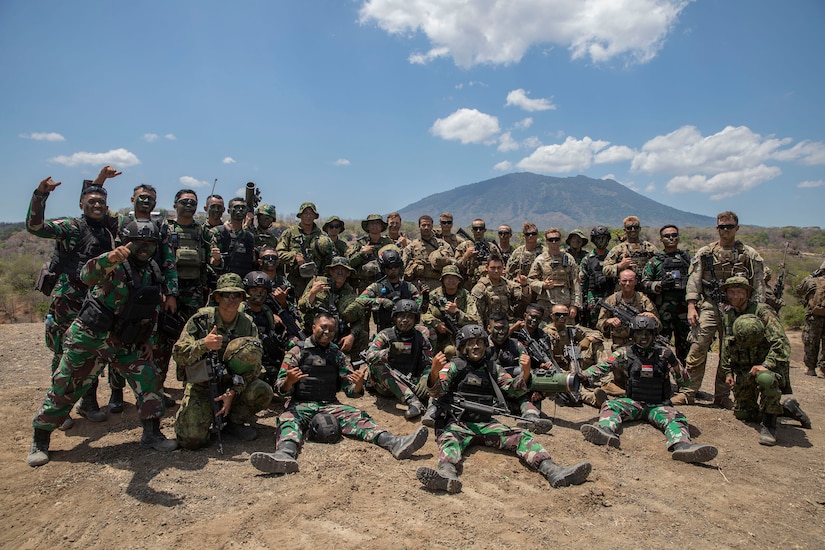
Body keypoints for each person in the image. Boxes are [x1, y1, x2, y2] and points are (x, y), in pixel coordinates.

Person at [27, 219, 179, 467]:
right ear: (126, 242)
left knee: (149, 377)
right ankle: (40, 437)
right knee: (66, 385)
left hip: (126, 341)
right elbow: (87, 275)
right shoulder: (112, 263)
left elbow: (150, 309)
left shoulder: (152, 269)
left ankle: (151, 434)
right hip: (91, 338)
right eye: (138, 242)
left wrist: (148, 340)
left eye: (150, 243)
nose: (144, 248)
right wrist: (109, 258)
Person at [415, 325, 591, 493]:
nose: (476, 346)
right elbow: (437, 392)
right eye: (471, 343)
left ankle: (553, 470)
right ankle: (446, 475)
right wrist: (434, 373)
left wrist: (526, 373)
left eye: (480, 342)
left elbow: (513, 390)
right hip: (457, 424)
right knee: (448, 439)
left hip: (486, 423)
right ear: (462, 346)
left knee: (521, 436)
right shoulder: (454, 366)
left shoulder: (493, 368)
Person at [248, 312, 429, 474]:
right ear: (313, 327)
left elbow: (350, 392)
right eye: (323, 327)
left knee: (358, 416)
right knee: (288, 420)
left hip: (330, 405)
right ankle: (284, 455)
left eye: (332, 330)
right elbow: (280, 389)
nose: (327, 332)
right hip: (300, 404)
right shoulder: (297, 352)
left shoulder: (337, 355)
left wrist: (357, 385)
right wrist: (288, 381)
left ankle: (394, 443)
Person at [26, 166, 122, 427]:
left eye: (101, 202)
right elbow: (35, 226)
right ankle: (60, 409)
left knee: (92, 353)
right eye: (91, 201)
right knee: (62, 354)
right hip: (68, 300)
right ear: (81, 204)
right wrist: (40, 195)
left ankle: (88, 403)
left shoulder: (109, 230)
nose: (97, 205)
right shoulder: (71, 226)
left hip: (96, 301)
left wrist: (100, 181)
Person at [579, 316, 718, 464]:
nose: (643, 337)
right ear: (632, 335)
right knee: (610, 405)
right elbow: (603, 367)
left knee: (676, 418)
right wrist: (583, 376)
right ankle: (606, 432)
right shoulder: (625, 353)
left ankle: (682, 446)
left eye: (647, 333)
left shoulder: (664, 354)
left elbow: (685, 381)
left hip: (659, 406)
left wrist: (674, 363)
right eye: (639, 333)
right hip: (633, 403)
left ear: (654, 335)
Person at [172, 273, 274, 449]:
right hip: (203, 384)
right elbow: (178, 354)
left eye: (237, 295)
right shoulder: (201, 320)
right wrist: (203, 344)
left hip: (233, 384)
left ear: (243, 298)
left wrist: (233, 391)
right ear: (217, 297)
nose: (232, 299)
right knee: (191, 440)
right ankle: (205, 415)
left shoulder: (247, 324)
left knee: (262, 390)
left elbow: (256, 366)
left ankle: (233, 422)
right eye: (227, 294)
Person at [681, 211, 765, 408]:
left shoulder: (749, 255)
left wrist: (756, 312)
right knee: (698, 345)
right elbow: (694, 281)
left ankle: (722, 395)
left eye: (729, 226)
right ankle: (688, 392)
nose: (725, 230)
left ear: (737, 228)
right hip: (710, 304)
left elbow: (759, 285)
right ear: (717, 228)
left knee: (730, 351)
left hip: (738, 309)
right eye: (722, 226)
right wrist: (692, 306)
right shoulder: (706, 253)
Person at [148, 189, 221, 412]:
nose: (188, 205)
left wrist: (215, 260)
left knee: (196, 342)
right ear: (175, 204)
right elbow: (155, 260)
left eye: (193, 202)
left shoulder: (203, 232)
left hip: (195, 294)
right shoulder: (164, 228)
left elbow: (210, 262)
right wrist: (166, 293)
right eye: (184, 201)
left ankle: (194, 389)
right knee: (162, 343)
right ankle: (156, 393)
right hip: (169, 293)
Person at [719, 277, 812, 445]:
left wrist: (765, 365)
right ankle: (788, 409)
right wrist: (727, 371)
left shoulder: (763, 312)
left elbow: (781, 342)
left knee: (766, 379)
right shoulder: (729, 315)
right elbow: (727, 343)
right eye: (731, 292)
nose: (735, 296)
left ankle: (769, 426)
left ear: (747, 293)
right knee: (743, 414)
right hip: (744, 369)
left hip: (767, 366)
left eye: (739, 292)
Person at [485, 312, 554, 434]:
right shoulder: (482, 346)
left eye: (505, 328)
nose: (502, 332)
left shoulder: (517, 345)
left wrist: (537, 390)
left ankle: (531, 419)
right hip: (490, 391)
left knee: (530, 396)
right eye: (497, 328)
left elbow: (528, 373)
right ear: (489, 328)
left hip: (514, 389)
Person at [365, 299, 433, 419]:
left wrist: (426, 377)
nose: (405, 320)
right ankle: (413, 402)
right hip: (385, 385)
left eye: (409, 317)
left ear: (415, 320)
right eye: (401, 316)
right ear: (395, 318)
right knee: (377, 366)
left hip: (410, 380)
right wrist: (388, 353)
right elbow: (369, 356)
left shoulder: (421, 338)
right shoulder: (385, 334)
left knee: (437, 377)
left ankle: (433, 410)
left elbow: (428, 363)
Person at [299, 256, 368, 361]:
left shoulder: (349, 292)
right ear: (330, 271)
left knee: (362, 336)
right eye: (337, 269)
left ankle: (353, 371)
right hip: (313, 332)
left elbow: (358, 319)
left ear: (348, 273)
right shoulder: (318, 282)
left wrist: (351, 336)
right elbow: (302, 306)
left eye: (344, 270)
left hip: (335, 333)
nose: (340, 273)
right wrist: (313, 292)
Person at [641, 225, 690, 364]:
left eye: (674, 235)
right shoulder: (655, 261)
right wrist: (660, 285)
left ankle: (683, 380)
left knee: (686, 347)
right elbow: (644, 283)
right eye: (667, 236)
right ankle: (661, 379)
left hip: (684, 310)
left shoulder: (686, 260)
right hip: (663, 311)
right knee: (660, 347)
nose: (671, 238)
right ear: (661, 239)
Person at [542, 304, 607, 407]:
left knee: (598, 344)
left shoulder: (571, 330)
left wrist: (587, 339)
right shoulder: (545, 332)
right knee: (573, 384)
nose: (562, 317)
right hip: (555, 367)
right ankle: (594, 399)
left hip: (575, 362)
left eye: (565, 315)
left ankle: (606, 382)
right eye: (558, 315)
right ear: (552, 316)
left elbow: (598, 334)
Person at [356, 247, 421, 333]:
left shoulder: (408, 287)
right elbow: (360, 300)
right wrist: (381, 301)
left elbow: (420, 306)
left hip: (407, 329)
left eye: (396, 266)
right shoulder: (376, 286)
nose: (393, 269)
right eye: (389, 267)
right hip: (385, 330)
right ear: (383, 269)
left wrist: (425, 297)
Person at [277, 202, 334, 297]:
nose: (308, 216)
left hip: (315, 280)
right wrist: (294, 256)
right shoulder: (290, 232)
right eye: (305, 213)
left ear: (315, 216)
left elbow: (330, 257)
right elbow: (278, 253)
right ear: (300, 215)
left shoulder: (322, 236)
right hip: (295, 280)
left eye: (311, 214)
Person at [422, 265, 480, 358]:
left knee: (451, 352)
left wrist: (457, 312)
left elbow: (474, 319)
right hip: (436, 334)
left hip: (458, 334)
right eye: (447, 278)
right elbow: (424, 315)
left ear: (459, 280)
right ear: (443, 280)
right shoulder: (434, 295)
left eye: (454, 278)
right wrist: (437, 324)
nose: (450, 280)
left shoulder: (466, 296)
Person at [597, 269, 660, 351]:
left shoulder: (643, 300)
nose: (627, 284)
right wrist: (608, 321)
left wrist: (652, 318)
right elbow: (599, 324)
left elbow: (659, 326)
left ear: (635, 282)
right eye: (624, 281)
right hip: (617, 345)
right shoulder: (611, 300)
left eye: (630, 281)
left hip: (640, 344)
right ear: (619, 282)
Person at [527, 227, 581, 321]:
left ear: (560, 240)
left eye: (556, 239)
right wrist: (543, 285)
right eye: (550, 240)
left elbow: (575, 283)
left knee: (566, 332)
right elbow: (531, 280)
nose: (553, 242)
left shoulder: (568, 259)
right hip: (545, 303)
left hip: (564, 304)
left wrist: (574, 305)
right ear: (546, 241)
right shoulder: (540, 259)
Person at [471, 255, 531, 327]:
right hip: (490, 326)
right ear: (487, 268)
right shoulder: (480, 288)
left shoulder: (508, 284)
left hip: (508, 323)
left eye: (499, 268)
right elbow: (477, 314)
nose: (496, 271)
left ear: (503, 268)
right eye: (493, 268)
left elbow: (524, 300)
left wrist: (524, 285)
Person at [402, 215, 453, 292]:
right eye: (423, 225)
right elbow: (404, 266)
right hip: (418, 285)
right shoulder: (411, 247)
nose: (426, 228)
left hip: (438, 285)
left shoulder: (442, 245)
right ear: (419, 226)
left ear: (432, 226)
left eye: (428, 225)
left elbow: (452, 263)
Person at [602, 216, 658, 282]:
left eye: (636, 227)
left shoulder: (649, 247)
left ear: (640, 229)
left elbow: (660, 265)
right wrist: (619, 266)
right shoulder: (618, 249)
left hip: (646, 287)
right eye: (629, 228)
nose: (633, 230)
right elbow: (605, 270)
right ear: (624, 230)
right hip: (624, 288)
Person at [212, 197, 256, 279]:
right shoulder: (217, 232)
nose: (240, 210)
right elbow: (212, 262)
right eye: (236, 207)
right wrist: (217, 259)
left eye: (243, 208)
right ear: (229, 211)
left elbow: (252, 261)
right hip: (223, 281)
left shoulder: (249, 237)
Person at [348, 214, 395, 291]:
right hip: (365, 284)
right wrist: (362, 253)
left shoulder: (388, 242)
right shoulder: (361, 243)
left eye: (377, 223)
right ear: (367, 227)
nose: (374, 225)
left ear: (381, 226)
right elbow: (350, 263)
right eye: (372, 223)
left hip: (385, 282)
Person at [580, 225, 615, 329]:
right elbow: (582, 282)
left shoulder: (614, 257)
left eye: (603, 238)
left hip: (611, 295)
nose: (601, 241)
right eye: (598, 238)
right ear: (593, 240)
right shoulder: (587, 259)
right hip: (593, 297)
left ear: (608, 239)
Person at [795, 263, 825, 377]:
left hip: (813, 317)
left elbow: (799, 290)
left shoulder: (812, 281)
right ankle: (823, 370)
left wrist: (810, 276)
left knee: (811, 342)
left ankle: (811, 368)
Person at [454, 218, 502, 290]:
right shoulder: (464, 246)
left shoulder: (492, 247)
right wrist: (466, 255)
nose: (478, 231)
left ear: (485, 230)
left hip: (487, 285)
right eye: (475, 229)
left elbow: (500, 266)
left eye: (481, 228)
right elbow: (455, 267)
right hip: (467, 285)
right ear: (472, 230)